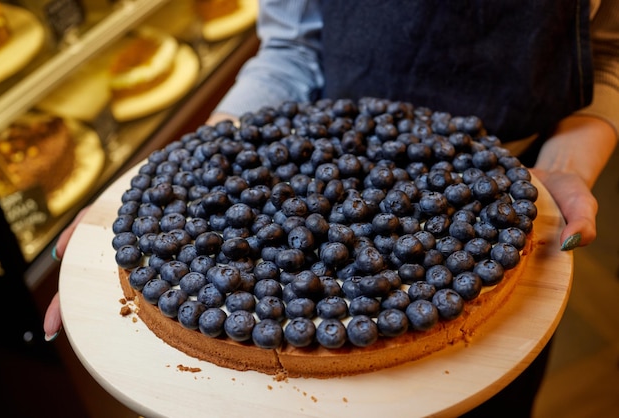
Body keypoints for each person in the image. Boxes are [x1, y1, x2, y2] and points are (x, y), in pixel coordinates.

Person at [44, 0, 619, 415]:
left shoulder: (462, 243)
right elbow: (292, 49)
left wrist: (567, 164)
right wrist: (201, 159)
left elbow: (608, 50)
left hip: (504, 186)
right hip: (303, 162)